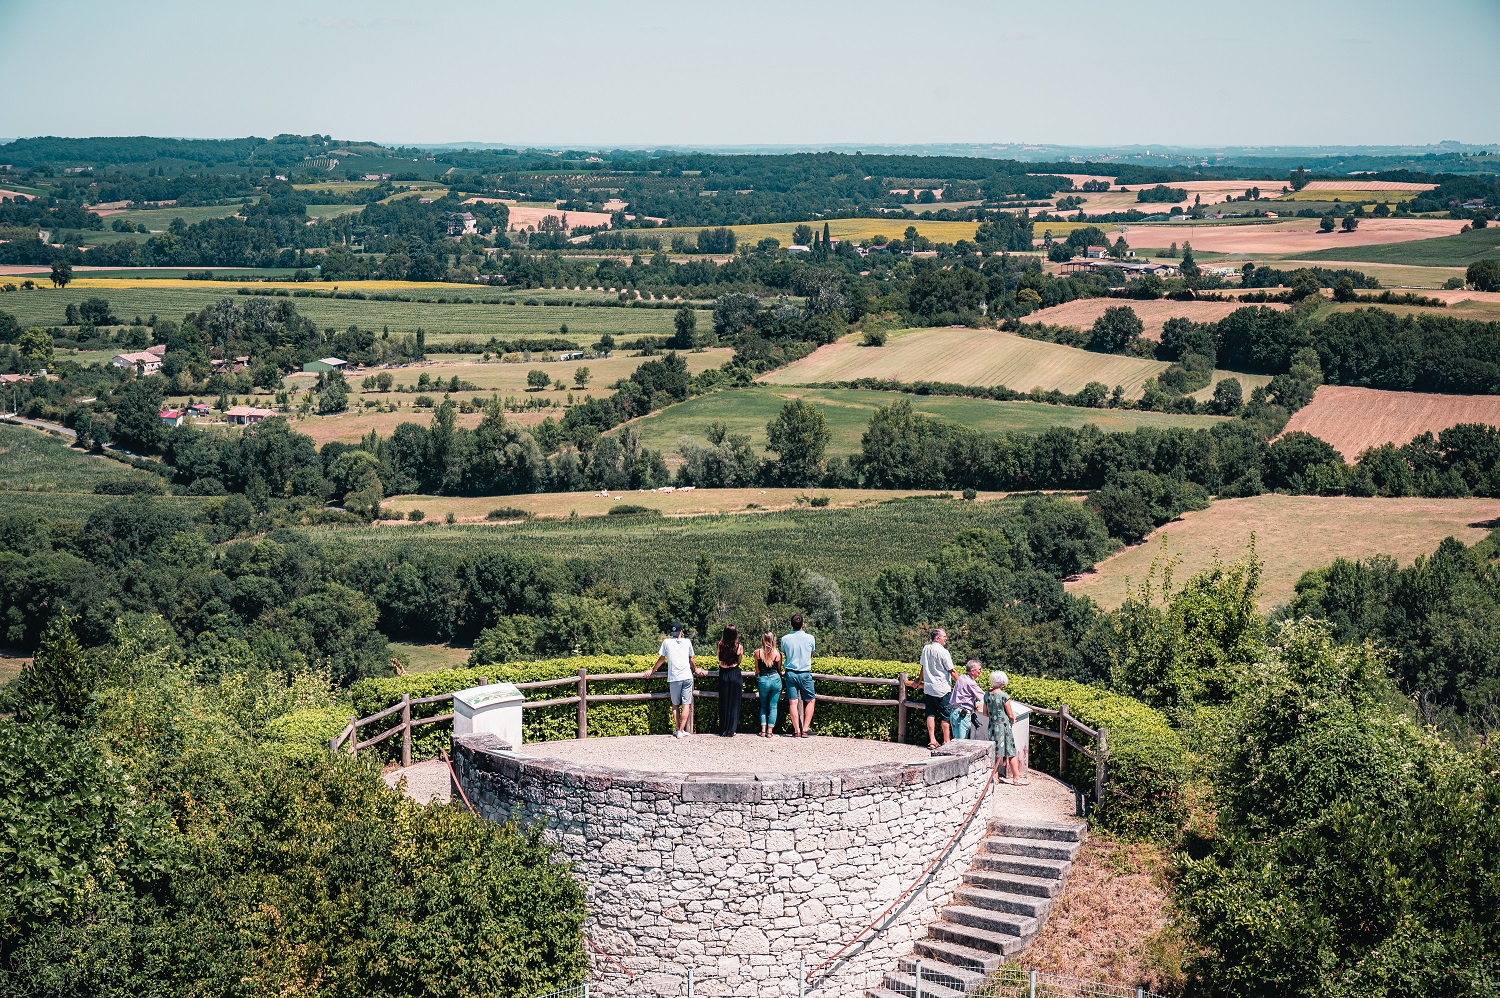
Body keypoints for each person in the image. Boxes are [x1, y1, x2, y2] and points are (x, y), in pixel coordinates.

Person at [643, 622, 705, 738]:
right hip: (687, 676)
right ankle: (681, 730)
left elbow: (661, 659)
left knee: (675, 705)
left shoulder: (666, 642)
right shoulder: (687, 642)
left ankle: (678, 729)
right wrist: (696, 669)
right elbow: (691, 659)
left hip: (674, 678)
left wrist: (653, 670)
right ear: (681, 631)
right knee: (686, 704)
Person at [980, 671, 1027, 784]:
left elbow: (985, 713)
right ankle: (1016, 778)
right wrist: (1012, 720)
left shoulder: (987, 695)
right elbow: (1010, 715)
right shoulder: (1004, 696)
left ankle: (995, 777)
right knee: (1011, 751)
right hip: (1004, 728)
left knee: (995, 752)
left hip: (992, 727)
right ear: (1002, 682)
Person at [780, 613, 817, 737]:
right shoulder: (810, 638)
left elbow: (785, 653)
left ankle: (797, 730)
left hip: (790, 673)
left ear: (791, 625)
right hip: (805, 673)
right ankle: (805, 729)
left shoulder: (785, 639)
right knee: (810, 700)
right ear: (803, 624)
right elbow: (811, 654)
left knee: (793, 702)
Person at [918, 627, 953, 748]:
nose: (946, 638)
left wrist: (918, 680)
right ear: (937, 638)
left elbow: (923, 667)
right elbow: (951, 670)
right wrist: (962, 683)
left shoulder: (926, 648)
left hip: (929, 687)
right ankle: (946, 741)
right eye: (944, 636)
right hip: (942, 688)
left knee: (930, 714)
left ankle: (932, 740)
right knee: (945, 716)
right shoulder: (944, 652)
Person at [753, 630, 784, 738]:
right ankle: (770, 731)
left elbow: (757, 670)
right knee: (773, 706)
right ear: (773, 640)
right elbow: (779, 670)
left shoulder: (757, 653)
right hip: (775, 679)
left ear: (762, 639)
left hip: (763, 679)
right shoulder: (778, 654)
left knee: (763, 706)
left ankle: (763, 730)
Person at [716, 624, 745, 738]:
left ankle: (723, 729)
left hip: (723, 674)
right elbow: (739, 661)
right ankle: (731, 729)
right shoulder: (739, 646)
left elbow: (719, 659)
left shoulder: (720, 644)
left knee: (723, 702)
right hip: (734, 674)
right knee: (734, 703)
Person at [948, 659, 984, 740]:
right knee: (962, 743)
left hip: (954, 712)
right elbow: (984, 697)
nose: (981, 671)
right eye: (979, 669)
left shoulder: (961, 678)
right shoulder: (971, 683)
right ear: (972, 671)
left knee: (956, 741)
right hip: (962, 715)